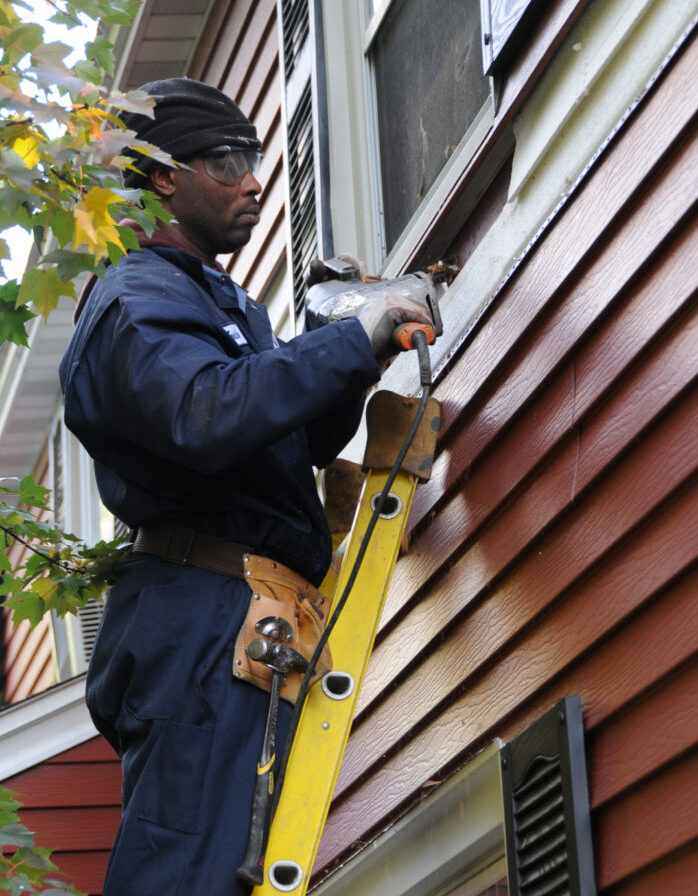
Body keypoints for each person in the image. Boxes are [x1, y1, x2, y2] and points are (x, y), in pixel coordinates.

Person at [59, 77, 431, 895]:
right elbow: (204, 414)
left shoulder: (216, 301)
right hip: (202, 617)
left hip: (241, 609)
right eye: (227, 162)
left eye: (256, 159)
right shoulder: (136, 297)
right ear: (163, 176)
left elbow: (281, 442)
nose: (255, 179)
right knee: (191, 875)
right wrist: (347, 339)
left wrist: (358, 350)